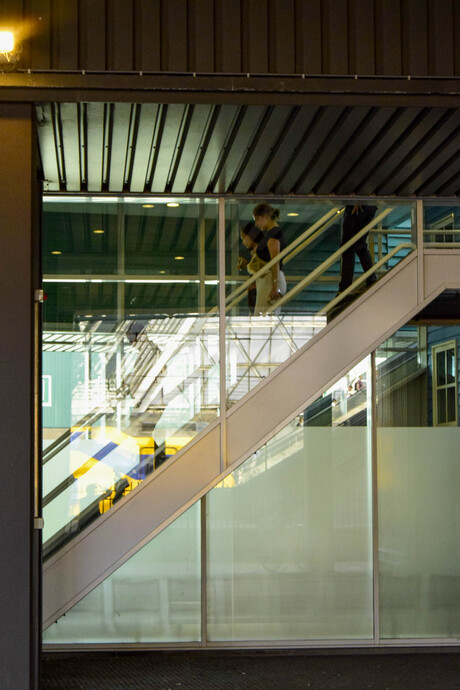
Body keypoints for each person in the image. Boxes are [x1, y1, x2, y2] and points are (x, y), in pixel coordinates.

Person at [252, 203, 287, 314]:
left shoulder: (273, 234)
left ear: (266, 216)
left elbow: (275, 260)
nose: (257, 224)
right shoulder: (272, 234)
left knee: (263, 316)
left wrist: (275, 284)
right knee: (264, 316)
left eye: (258, 219)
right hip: (269, 278)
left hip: (270, 278)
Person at [338, 204, 377, 293]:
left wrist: (358, 200)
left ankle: (345, 287)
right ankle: (371, 279)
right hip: (364, 205)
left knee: (350, 247)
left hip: (359, 206)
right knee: (357, 245)